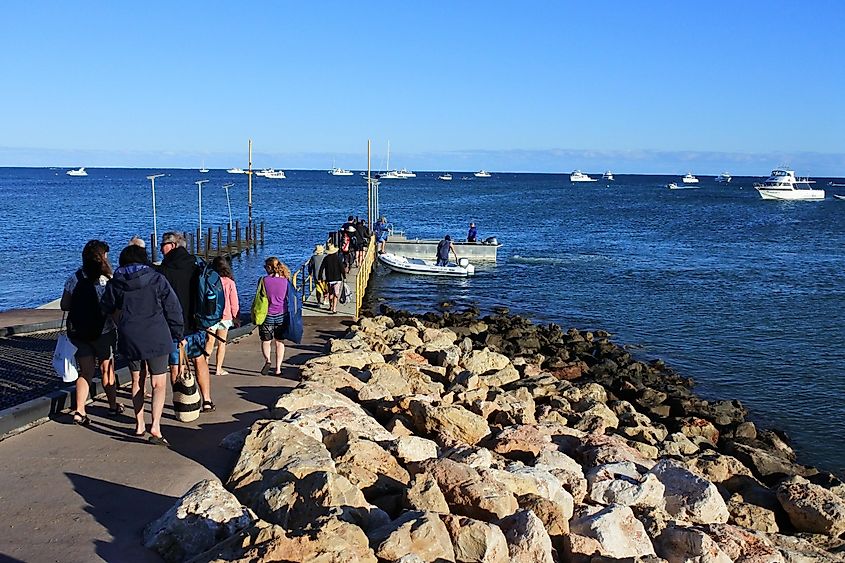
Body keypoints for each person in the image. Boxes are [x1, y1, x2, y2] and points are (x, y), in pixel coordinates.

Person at [102, 244, 183, 445]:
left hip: (130, 335)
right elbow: (172, 307)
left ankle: (139, 424)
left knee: (137, 380)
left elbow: (106, 305)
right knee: (158, 383)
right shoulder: (157, 279)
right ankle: (155, 426)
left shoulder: (116, 282)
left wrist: (119, 321)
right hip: (157, 334)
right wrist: (178, 332)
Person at [61, 240, 121, 425]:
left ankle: (79, 410)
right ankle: (112, 406)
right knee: (107, 369)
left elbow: (64, 305)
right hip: (104, 332)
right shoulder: (107, 280)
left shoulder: (75, 278)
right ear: (102, 258)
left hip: (80, 333)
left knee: (85, 372)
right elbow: (113, 308)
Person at [157, 231, 215, 412]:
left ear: (173, 245)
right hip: (196, 322)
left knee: (175, 365)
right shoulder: (196, 264)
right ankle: (206, 399)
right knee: (199, 360)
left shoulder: (165, 269)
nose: (160, 249)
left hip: (173, 325)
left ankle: (181, 403)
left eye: (163, 245)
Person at [204, 256, 239, 376]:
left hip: (211, 315)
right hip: (225, 315)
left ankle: (205, 365)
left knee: (209, 341)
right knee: (221, 343)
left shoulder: (209, 280)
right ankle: (218, 369)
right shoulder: (229, 282)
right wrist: (235, 316)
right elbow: (234, 301)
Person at [258, 257, 293, 375]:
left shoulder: (263, 280)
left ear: (269, 268)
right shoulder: (285, 281)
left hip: (267, 314)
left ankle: (268, 360)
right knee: (280, 342)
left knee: (266, 341)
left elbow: (260, 297)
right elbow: (289, 297)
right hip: (282, 314)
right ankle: (278, 369)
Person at [318, 242, 345, 314]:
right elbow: (342, 268)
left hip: (329, 279)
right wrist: (344, 276)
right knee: (336, 294)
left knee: (330, 293)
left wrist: (320, 277)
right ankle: (334, 308)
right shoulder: (338, 258)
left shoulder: (326, 258)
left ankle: (330, 306)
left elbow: (321, 268)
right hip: (338, 278)